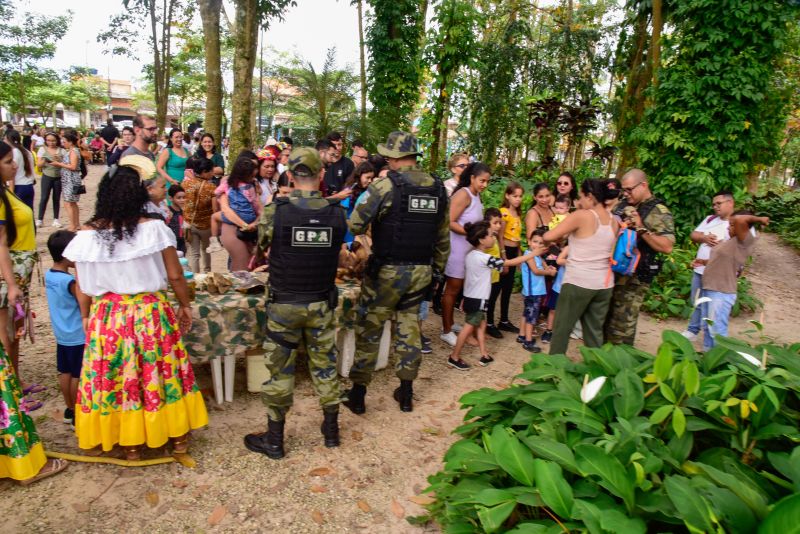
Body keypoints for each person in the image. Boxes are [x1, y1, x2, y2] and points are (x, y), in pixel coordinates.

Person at [64, 155, 208, 459]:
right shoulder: (153, 229)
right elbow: (174, 275)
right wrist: (185, 305)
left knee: (119, 377)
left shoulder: (85, 236)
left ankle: (130, 443)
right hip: (149, 314)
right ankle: (177, 437)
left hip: (108, 318)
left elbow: (83, 287)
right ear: (138, 194)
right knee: (160, 374)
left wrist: (87, 316)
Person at [245, 147, 346, 459]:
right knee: (326, 367)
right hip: (321, 304)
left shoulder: (279, 210)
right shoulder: (337, 212)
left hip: (285, 304)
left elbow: (261, 246)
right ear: (321, 175)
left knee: (280, 370)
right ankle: (331, 431)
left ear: (290, 174)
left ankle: (275, 440)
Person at [344, 131, 449, 413]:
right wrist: (437, 272)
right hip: (422, 271)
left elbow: (355, 223)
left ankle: (357, 395)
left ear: (393, 157)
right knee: (409, 329)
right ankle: (405, 393)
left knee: (370, 328)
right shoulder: (438, 188)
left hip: (387, 272)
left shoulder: (384, 187)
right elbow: (442, 237)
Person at [447, 221, 541, 370]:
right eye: (491, 235)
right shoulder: (484, 259)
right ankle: (454, 356)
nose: (494, 238)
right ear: (481, 240)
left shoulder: (471, 255)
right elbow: (507, 263)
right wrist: (532, 255)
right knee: (468, 327)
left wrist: (465, 298)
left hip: (472, 297)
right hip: (478, 299)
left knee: (481, 325)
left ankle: (484, 354)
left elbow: (471, 278)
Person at [545, 179, 619, 355]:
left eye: (581, 197)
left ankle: (555, 372)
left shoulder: (582, 215)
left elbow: (549, 236)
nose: (579, 202)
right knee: (594, 334)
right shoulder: (613, 220)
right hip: (604, 285)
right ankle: (596, 373)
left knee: (562, 330)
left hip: (578, 282)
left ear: (590, 196)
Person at [604, 169, 675, 346]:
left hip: (634, 279)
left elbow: (667, 246)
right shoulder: (623, 204)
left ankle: (621, 367)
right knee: (604, 321)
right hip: (612, 273)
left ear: (643, 185)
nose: (626, 194)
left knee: (622, 327)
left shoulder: (658, 211)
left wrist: (641, 228)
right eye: (624, 190)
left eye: (629, 190)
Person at [0, 142, 39, 390]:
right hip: (8, 277)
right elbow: (0, 243)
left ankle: (15, 382)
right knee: (4, 334)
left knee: (14, 333)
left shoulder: (7, 191)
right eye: (7, 162)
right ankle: (8, 396)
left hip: (19, 273)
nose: (15, 165)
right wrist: (11, 284)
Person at [699, 212, 768, 350]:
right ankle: (707, 360)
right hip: (711, 288)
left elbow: (740, 219)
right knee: (708, 327)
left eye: (732, 225)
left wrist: (759, 219)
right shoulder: (731, 242)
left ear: (743, 227)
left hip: (721, 292)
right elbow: (724, 261)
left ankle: (718, 362)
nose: (728, 228)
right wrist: (703, 261)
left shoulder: (745, 241)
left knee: (717, 331)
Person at [440, 162, 489, 346]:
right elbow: (449, 221)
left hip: (469, 249)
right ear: (472, 178)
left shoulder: (477, 196)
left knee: (458, 289)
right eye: (482, 180)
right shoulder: (463, 194)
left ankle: (451, 323)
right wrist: (471, 234)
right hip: (457, 249)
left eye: (487, 181)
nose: (484, 184)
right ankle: (445, 330)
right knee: (451, 289)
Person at [682, 190, 737, 341]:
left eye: (719, 203)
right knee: (697, 301)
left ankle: (712, 342)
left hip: (718, 275)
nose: (715, 207)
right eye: (713, 204)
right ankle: (693, 330)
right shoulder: (710, 219)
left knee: (712, 308)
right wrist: (704, 238)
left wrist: (722, 246)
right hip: (700, 270)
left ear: (730, 202)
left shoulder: (737, 223)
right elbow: (693, 235)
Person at [45, 230, 84, 427]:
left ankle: (69, 408)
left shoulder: (49, 276)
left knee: (65, 371)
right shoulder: (69, 282)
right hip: (77, 333)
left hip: (61, 333)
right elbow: (84, 300)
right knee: (78, 373)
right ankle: (77, 410)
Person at [487, 181, 523, 338]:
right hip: (505, 251)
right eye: (514, 196)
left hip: (514, 251)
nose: (518, 199)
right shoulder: (504, 213)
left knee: (507, 289)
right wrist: (504, 256)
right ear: (507, 196)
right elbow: (500, 236)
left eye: (520, 196)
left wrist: (520, 254)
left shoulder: (517, 214)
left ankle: (504, 320)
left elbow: (517, 237)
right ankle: (489, 322)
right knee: (496, 288)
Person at [217, 157, 261, 271]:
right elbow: (226, 210)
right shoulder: (228, 186)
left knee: (246, 265)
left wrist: (254, 224)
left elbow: (259, 209)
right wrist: (245, 225)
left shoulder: (251, 186)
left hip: (249, 228)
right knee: (241, 264)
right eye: (250, 176)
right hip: (233, 228)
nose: (252, 178)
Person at [182, 157, 216, 273]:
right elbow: (215, 209)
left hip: (189, 224)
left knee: (193, 254)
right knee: (206, 251)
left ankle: (195, 280)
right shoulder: (211, 187)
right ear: (205, 172)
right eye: (211, 170)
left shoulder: (185, 184)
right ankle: (207, 275)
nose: (213, 173)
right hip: (206, 225)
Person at [36, 132, 64, 227]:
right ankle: (40, 219)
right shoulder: (42, 149)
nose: (51, 143)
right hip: (47, 176)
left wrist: (59, 160)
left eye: (53, 140)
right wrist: (45, 159)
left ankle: (56, 219)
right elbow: (38, 165)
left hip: (58, 177)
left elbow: (65, 164)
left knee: (56, 198)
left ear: (57, 141)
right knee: (44, 197)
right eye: (48, 140)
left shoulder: (61, 150)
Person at [4, 130, 36, 210]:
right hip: (28, 186)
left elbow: (12, 173)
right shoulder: (27, 152)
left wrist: (11, 192)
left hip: (18, 187)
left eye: (4, 139)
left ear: (8, 139)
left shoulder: (14, 152)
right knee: (28, 213)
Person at [323, 131, 354, 198]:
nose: (337, 148)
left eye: (339, 144)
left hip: (341, 202)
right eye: (334, 145)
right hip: (322, 201)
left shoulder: (348, 164)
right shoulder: (322, 162)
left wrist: (339, 194)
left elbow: (350, 186)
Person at [167, 185, 186, 255]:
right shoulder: (168, 212)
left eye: (184, 197)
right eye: (179, 198)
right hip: (171, 242)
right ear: (171, 198)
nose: (182, 200)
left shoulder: (184, 211)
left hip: (181, 242)